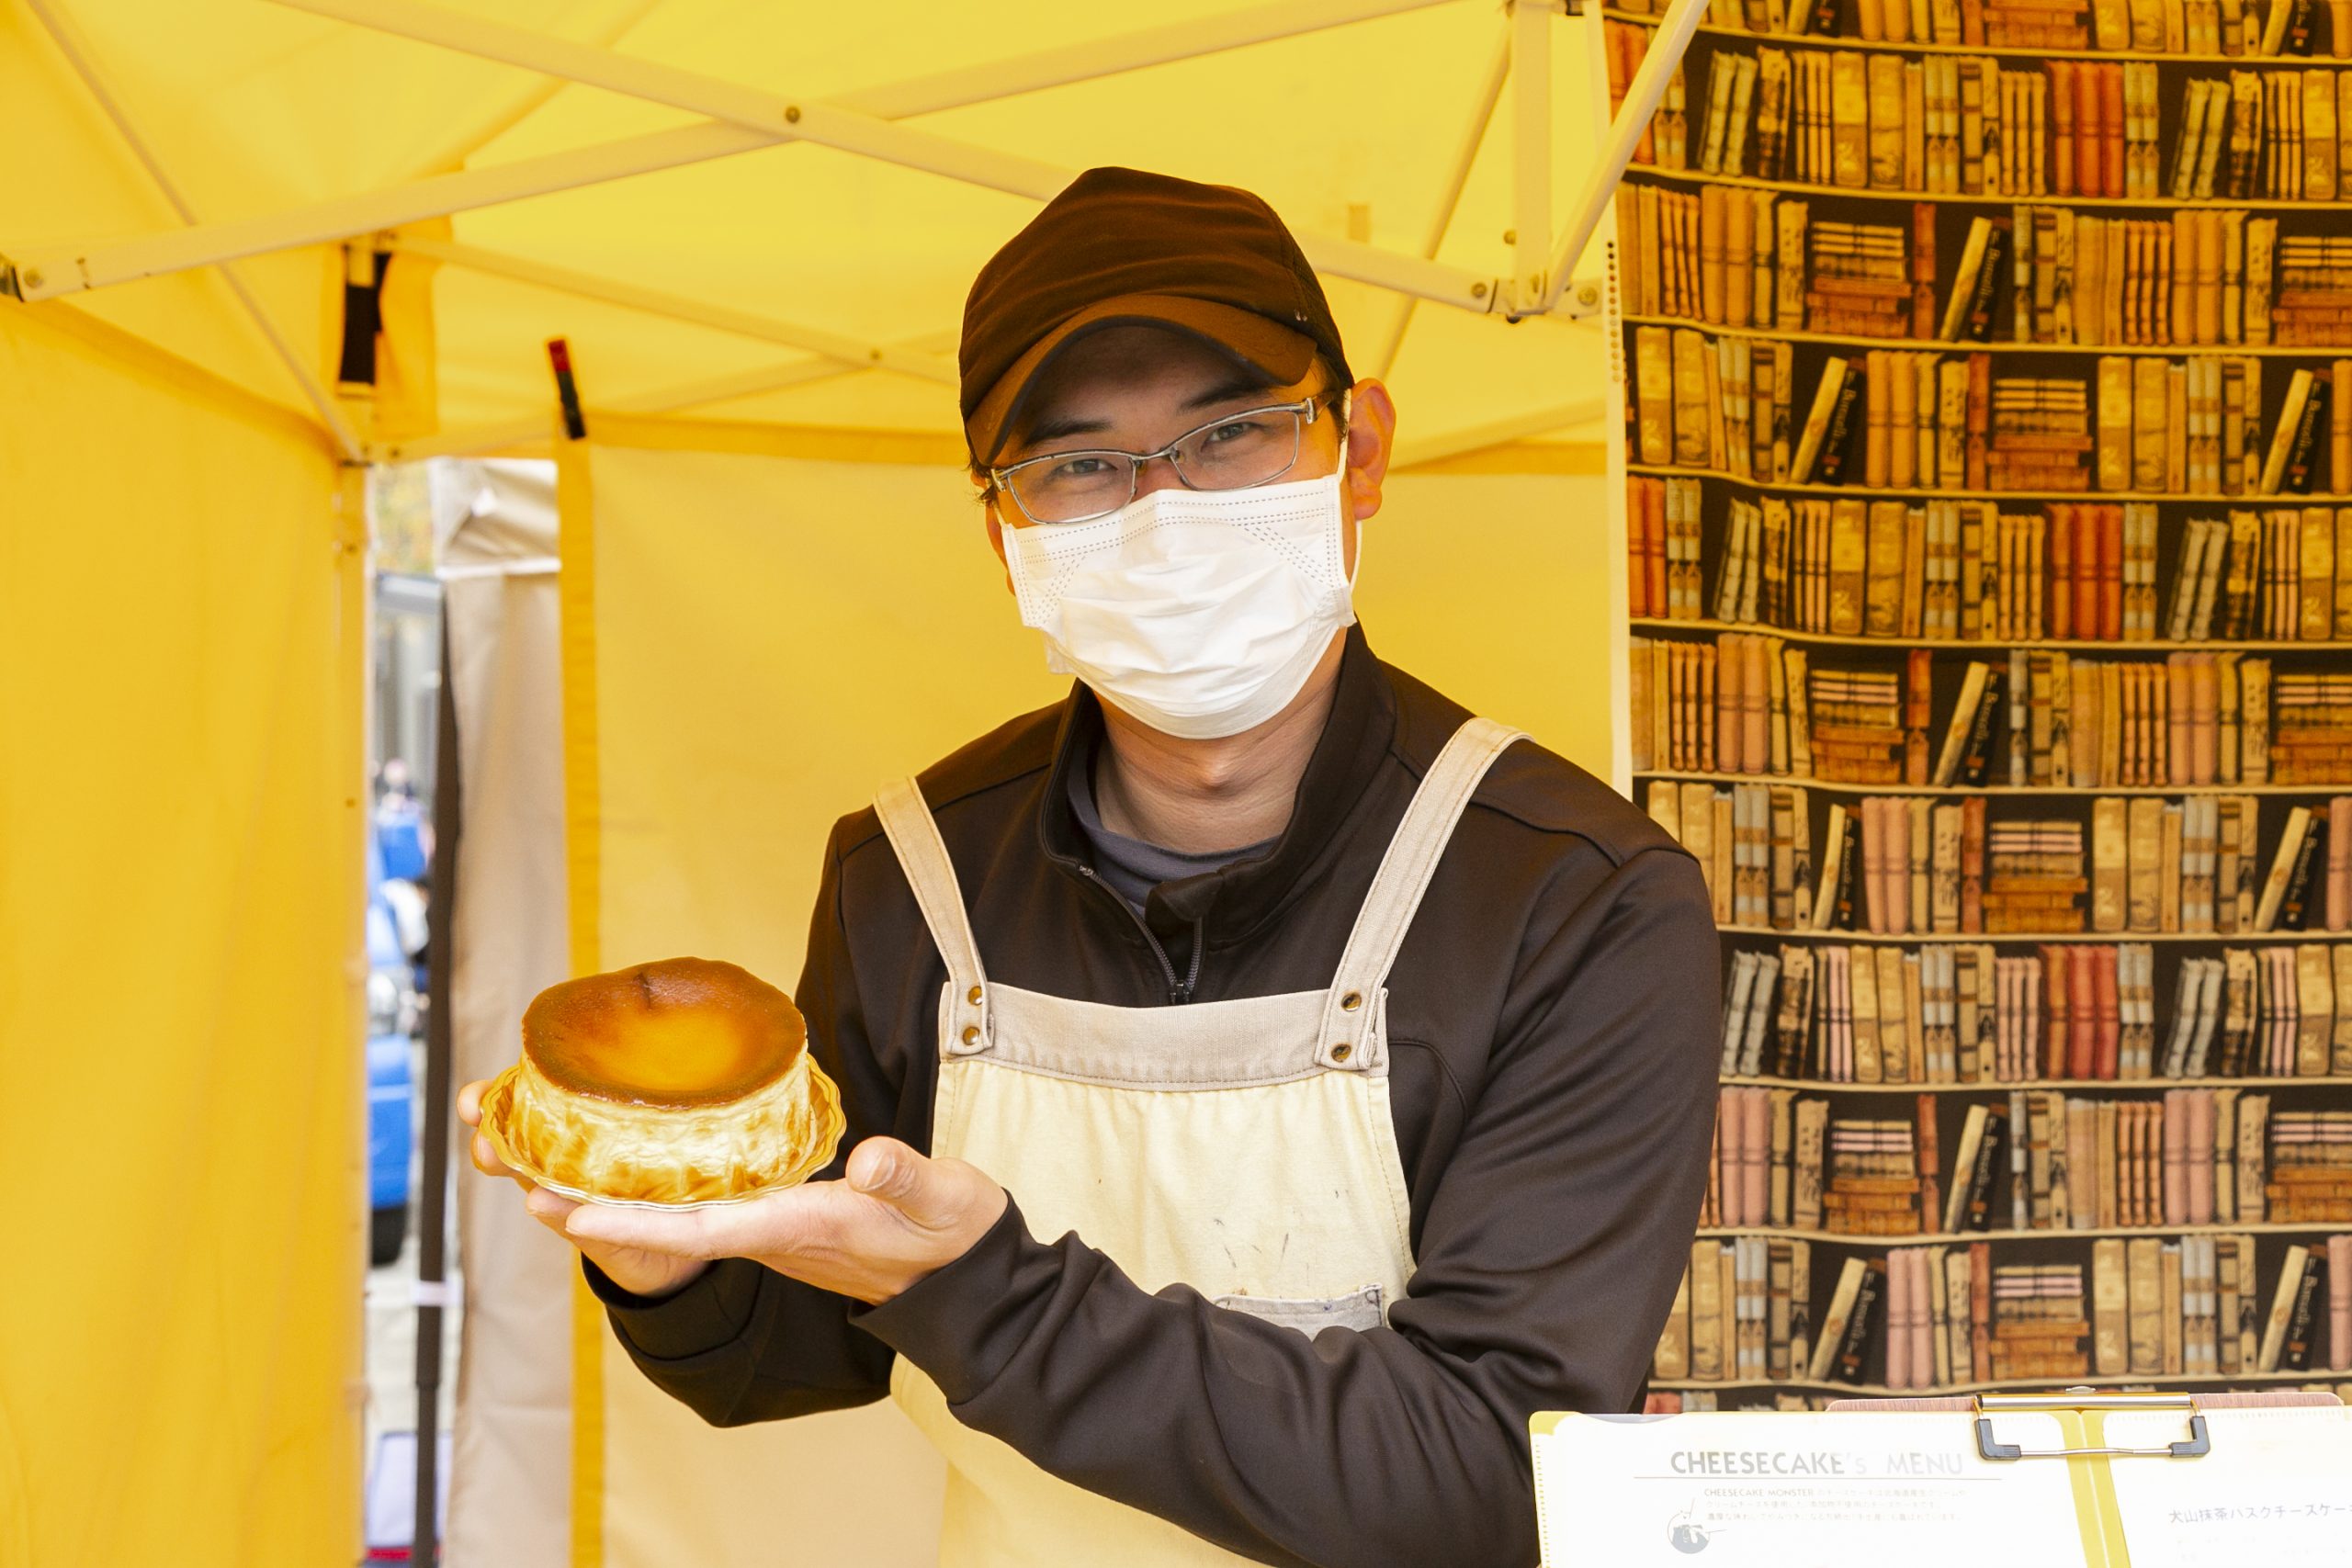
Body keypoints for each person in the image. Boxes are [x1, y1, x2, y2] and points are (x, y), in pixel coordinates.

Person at [460, 165, 1720, 1567]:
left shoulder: (1580, 902)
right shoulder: (910, 873)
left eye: (1230, 433)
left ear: (1359, 451)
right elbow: (799, 1354)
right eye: (1080, 466)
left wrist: (988, 1294)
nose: (1162, 511)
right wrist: (667, 1265)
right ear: (1006, 537)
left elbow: (1484, 1473)